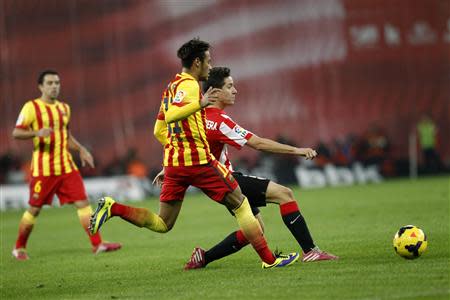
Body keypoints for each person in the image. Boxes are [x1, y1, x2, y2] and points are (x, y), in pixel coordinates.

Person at [90, 38, 299, 269]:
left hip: (175, 164)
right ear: (197, 62)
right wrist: (200, 103)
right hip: (198, 161)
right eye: (208, 61)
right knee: (241, 204)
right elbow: (172, 118)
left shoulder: (170, 88)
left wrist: (175, 151)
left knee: (162, 224)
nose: (210, 66)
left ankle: (113, 207)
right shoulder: (189, 86)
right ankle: (270, 260)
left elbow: (158, 130)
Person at [173, 67, 338, 269]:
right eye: (230, 86)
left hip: (216, 182)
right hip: (226, 179)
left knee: (255, 229)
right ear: (215, 92)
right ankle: (311, 251)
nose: (235, 91)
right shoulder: (218, 121)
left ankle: (203, 258)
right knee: (284, 194)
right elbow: (258, 143)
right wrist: (298, 150)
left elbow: (182, 146)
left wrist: (169, 169)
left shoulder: (195, 118)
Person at [11, 70, 121, 260]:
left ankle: (97, 244)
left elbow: (67, 136)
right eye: (50, 83)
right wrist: (36, 133)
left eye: (57, 83)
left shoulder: (64, 108)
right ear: (41, 86)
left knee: (83, 203)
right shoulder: (31, 107)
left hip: (67, 167)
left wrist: (81, 150)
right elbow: (16, 133)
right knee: (34, 209)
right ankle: (19, 248)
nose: (54, 86)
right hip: (43, 169)